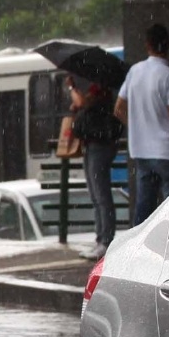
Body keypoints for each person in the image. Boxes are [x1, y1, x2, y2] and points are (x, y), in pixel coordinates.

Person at [116, 24, 169, 225]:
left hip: (141, 151)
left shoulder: (134, 71)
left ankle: (136, 250)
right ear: (168, 45)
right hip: (167, 152)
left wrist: (138, 127)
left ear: (147, 45)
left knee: (144, 208)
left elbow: (119, 109)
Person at [69, 76, 122, 255]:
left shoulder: (101, 94)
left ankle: (105, 240)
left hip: (99, 147)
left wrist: (73, 90)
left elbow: (84, 102)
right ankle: (101, 238)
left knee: (101, 196)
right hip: (92, 146)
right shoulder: (99, 95)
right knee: (96, 195)